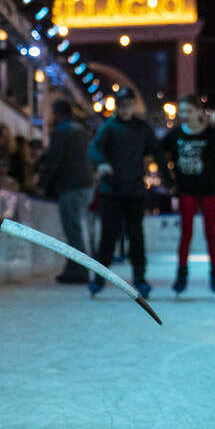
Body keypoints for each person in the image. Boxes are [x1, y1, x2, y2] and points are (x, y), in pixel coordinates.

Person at [161, 93, 215, 294]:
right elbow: (157, 152)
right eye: (182, 111)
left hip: (208, 191)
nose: (185, 115)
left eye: (189, 111)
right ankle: (181, 276)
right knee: (186, 234)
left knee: (211, 233)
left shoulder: (210, 134)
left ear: (198, 111)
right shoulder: (175, 135)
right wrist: (168, 179)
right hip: (186, 191)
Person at [86, 87, 163, 296]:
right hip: (111, 191)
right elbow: (94, 148)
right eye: (122, 105)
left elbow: (157, 152)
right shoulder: (109, 127)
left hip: (135, 192)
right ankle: (99, 278)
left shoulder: (142, 128)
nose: (126, 109)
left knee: (136, 236)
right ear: (117, 106)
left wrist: (168, 178)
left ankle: (140, 278)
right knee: (108, 237)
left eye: (129, 105)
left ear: (133, 106)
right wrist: (102, 162)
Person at [39, 99, 96, 284]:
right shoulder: (80, 130)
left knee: (73, 229)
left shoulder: (62, 131)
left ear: (56, 113)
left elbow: (54, 160)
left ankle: (78, 269)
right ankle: (76, 267)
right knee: (78, 228)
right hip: (86, 185)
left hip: (71, 186)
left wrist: (43, 184)